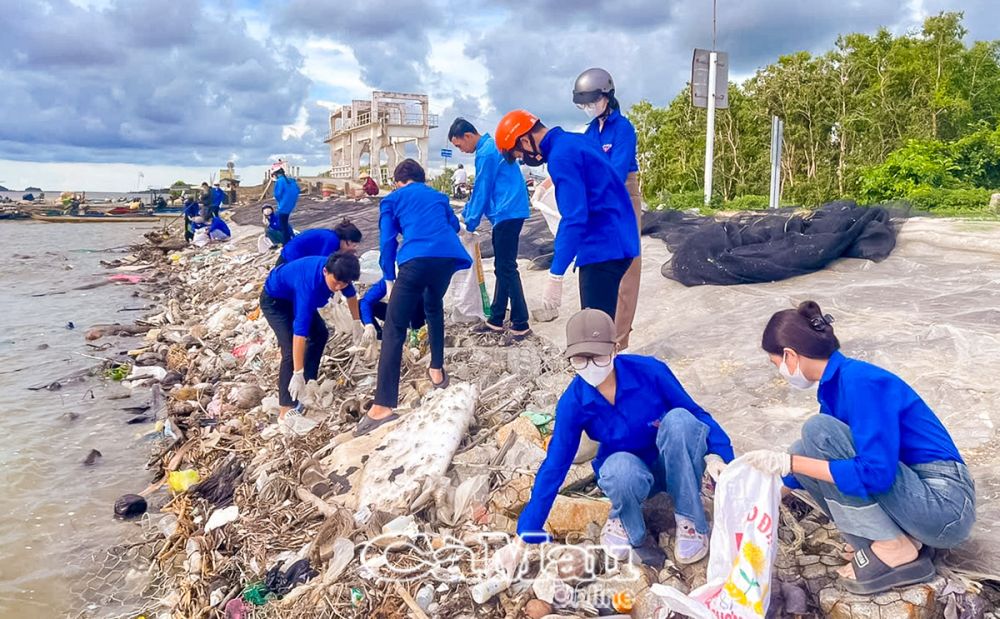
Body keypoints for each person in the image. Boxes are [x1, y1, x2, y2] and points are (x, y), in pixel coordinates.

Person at [742, 301, 975, 595]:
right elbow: (810, 460)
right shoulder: (835, 386)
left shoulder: (859, 381)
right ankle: (891, 541)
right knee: (805, 446)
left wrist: (790, 463)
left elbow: (876, 472)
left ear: (790, 355)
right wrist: (763, 495)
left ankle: (893, 545)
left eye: (776, 365)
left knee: (816, 433)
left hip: (944, 507)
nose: (781, 372)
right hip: (918, 499)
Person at [495, 309, 734, 572]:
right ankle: (627, 518)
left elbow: (696, 413)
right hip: (628, 475)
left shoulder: (650, 372)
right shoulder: (574, 402)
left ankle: (690, 519)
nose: (590, 366)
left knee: (679, 419)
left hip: (674, 464)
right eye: (580, 359)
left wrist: (719, 455)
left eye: (597, 356)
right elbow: (555, 464)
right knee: (617, 467)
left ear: (615, 348)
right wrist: (523, 537)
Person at [355, 159, 472, 437]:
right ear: (421, 178)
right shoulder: (439, 196)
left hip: (415, 260)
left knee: (395, 327)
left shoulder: (392, 199)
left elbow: (387, 239)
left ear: (398, 181)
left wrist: (387, 277)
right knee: (434, 308)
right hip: (447, 259)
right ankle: (437, 372)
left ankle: (382, 405)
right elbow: (454, 226)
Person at [494, 110, 638, 320]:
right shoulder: (575, 141)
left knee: (594, 333)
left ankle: (605, 354)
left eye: (519, 154)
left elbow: (574, 218)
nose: (524, 159)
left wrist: (556, 274)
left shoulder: (560, 156)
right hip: (619, 239)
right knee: (602, 328)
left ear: (525, 141)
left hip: (602, 247)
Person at [574, 68, 643, 350]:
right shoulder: (590, 131)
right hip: (597, 194)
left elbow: (615, 171)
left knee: (626, 265)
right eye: (584, 104)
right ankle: (597, 334)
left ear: (606, 96)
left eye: (592, 101)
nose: (589, 108)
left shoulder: (623, 128)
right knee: (600, 264)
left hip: (623, 192)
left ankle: (618, 340)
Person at [449, 117, 532, 338]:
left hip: (507, 211)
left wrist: (469, 222)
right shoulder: (492, 146)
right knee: (502, 266)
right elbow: (481, 189)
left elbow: (482, 190)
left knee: (506, 268)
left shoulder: (486, 152)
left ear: (468, 136)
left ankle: (521, 322)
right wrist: (467, 213)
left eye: (459, 145)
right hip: (511, 210)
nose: (461, 150)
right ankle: (496, 318)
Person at [259, 252, 362, 419]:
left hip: (292, 294)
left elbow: (351, 295)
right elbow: (299, 335)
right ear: (325, 272)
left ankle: (309, 381)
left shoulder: (341, 272)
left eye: (343, 284)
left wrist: (357, 322)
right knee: (289, 351)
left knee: (320, 334)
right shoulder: (309, 289)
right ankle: (286, 407)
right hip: (275, 301)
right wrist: (296, 373)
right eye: (335, 283)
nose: (338, 288)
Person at [359, 277, 426, 343]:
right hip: (399, 313)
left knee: (416, 296)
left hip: (422, 313)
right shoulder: (390, 279)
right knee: (360, 304)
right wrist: (368, 324)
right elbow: (366, 302)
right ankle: (379, 336)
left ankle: (418, 333)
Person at [276, 220, 363, 266]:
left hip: (291, 256)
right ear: (347, 240)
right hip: (289, 259)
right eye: (353, 245)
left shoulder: (332, 237)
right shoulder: (332, 241)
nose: (354, 249)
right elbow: (322, 264)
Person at [273, 166, 300, 244]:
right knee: (285, 223)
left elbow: (277, 194)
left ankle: (286, 243)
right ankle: (290, 239)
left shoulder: (280, 181)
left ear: (276, 174)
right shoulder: (291, 180)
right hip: (290, 205)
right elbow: (297, 190)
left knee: (283, 226)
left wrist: (280, 202)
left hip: (283, 206)